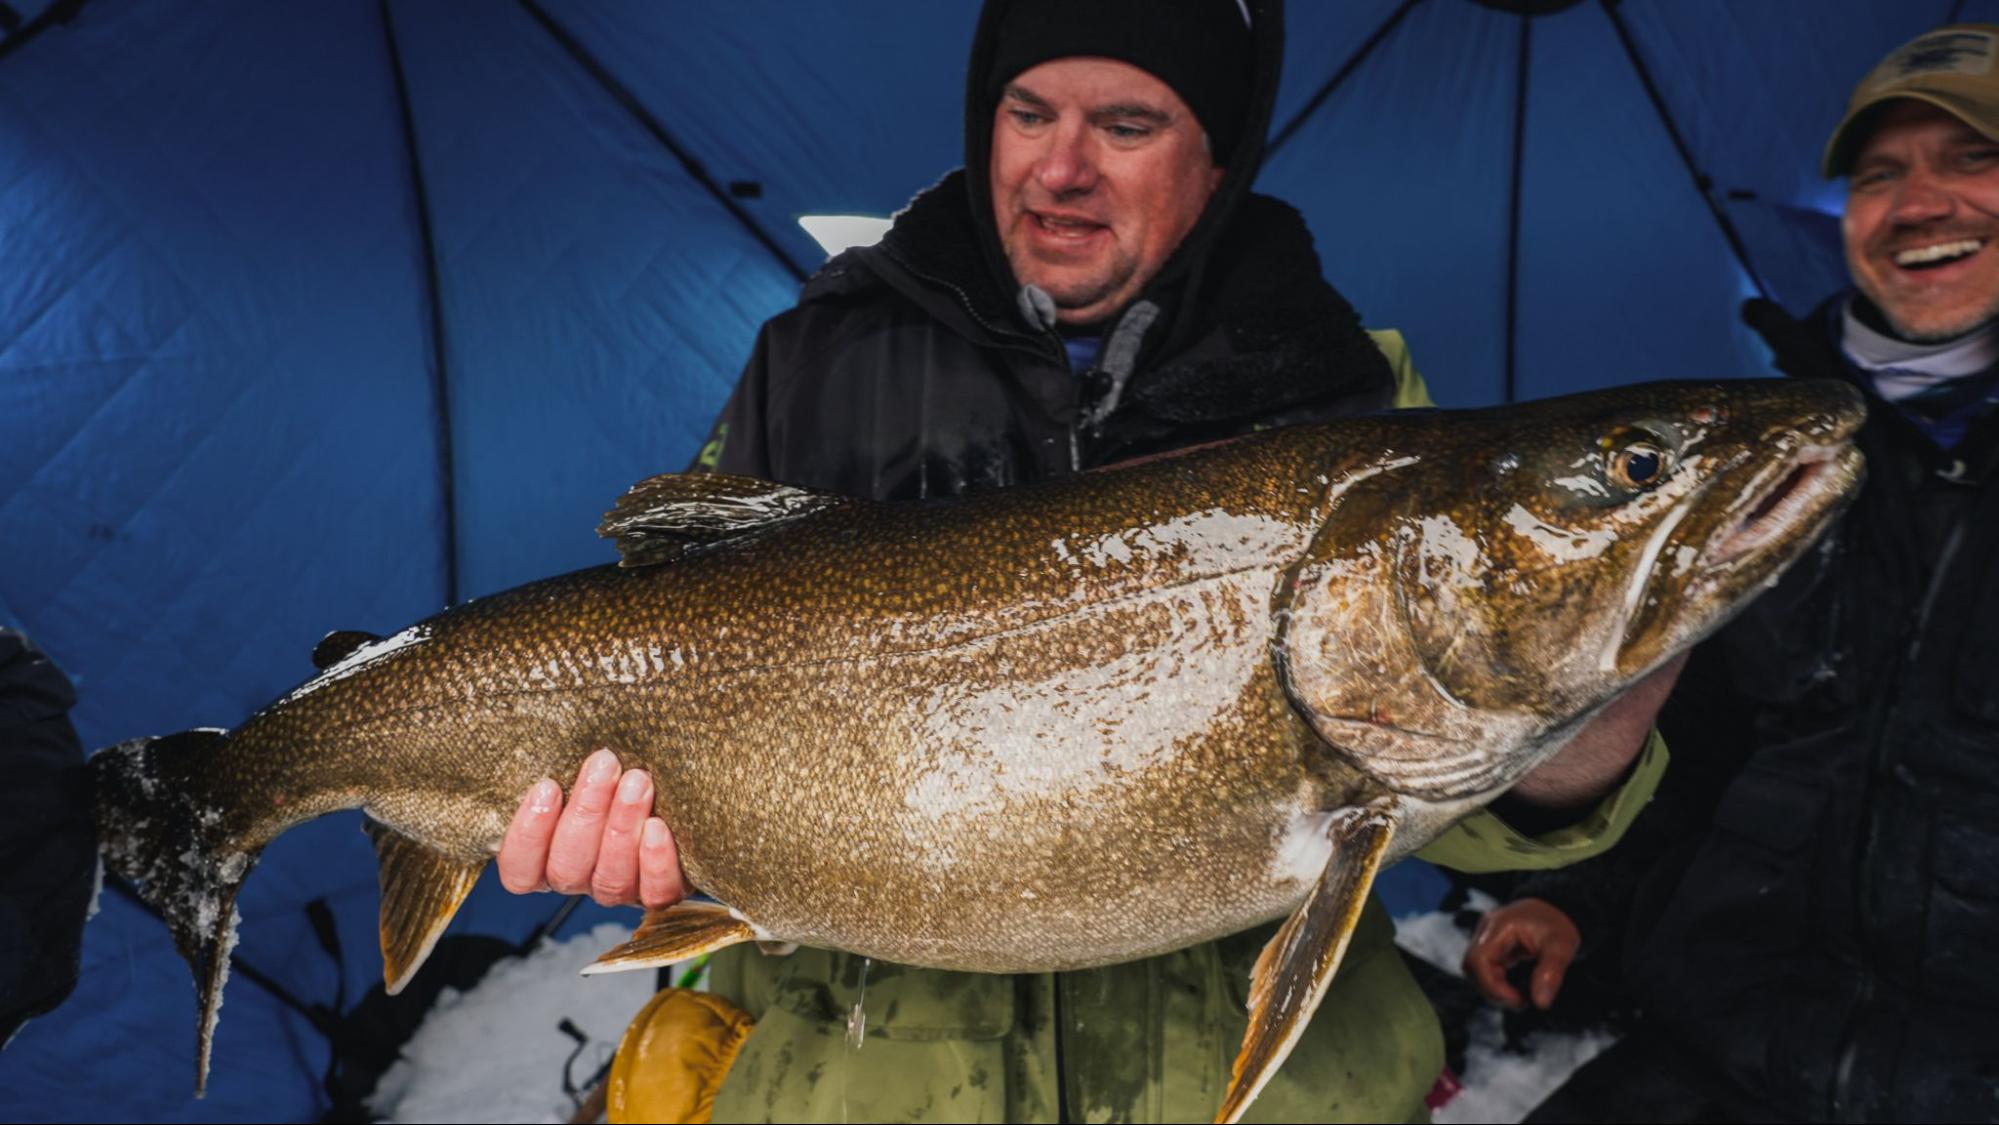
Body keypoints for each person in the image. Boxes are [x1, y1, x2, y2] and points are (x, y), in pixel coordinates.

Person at [502, 1, 1676, 1119]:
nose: (1059, 167)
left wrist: (1592, 705)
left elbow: (1468, 815)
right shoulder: (814, 363)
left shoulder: (1352, 406)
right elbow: (656, 662)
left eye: (1126, 124)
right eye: (1027, 114)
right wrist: (649, 840)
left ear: (1216, 162)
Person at [1463, 24, 1999, 1124]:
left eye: (1973, 160)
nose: (1919, 203)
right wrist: (1575, 897)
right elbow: (1692, 732)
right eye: (1880, 173)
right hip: (1716, 1050)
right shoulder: (1751, 457)